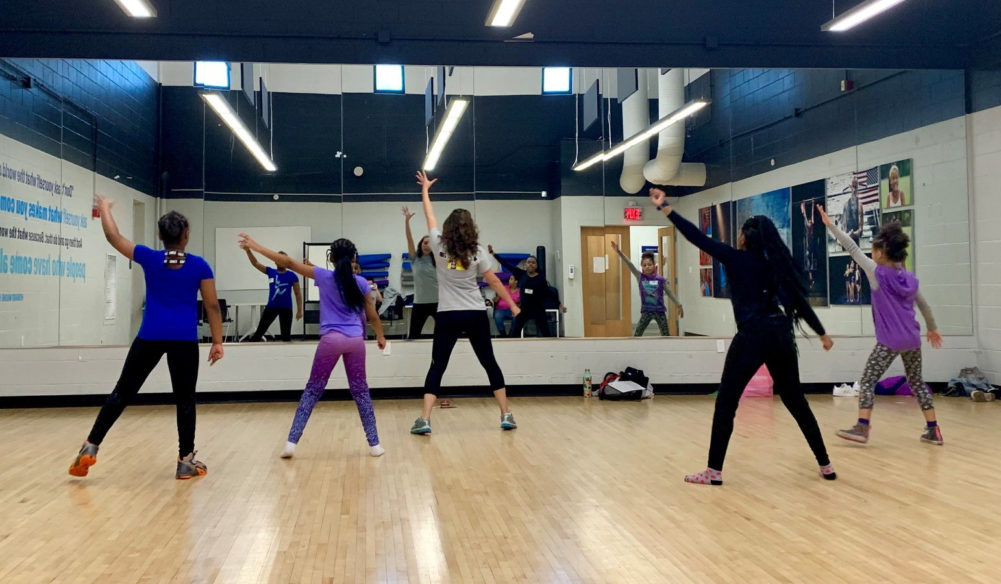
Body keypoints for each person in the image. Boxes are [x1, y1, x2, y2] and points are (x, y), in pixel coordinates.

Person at [649, 187, 836, 485]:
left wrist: (667, 208)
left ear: (745, 238)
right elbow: (799, 303)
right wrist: (822, 333)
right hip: (780, 334)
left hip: (752, 335)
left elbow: (697, 237)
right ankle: (825, 464)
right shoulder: (777, 266)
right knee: (796, 400)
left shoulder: (736, 259)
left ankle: (713, 471)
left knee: (726, 401)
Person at [69, 197, 224, 480]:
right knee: (185, 400)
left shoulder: (150, 258)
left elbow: (113, 236)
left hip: (149, 335)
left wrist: (104, 207)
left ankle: (90, 446)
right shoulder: (200, 266)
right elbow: (212, 305)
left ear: (159, 236)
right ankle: (185, 461)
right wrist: (217, 341)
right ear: (186, 235)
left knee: (122, 392)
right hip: (183, 340)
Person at [239, 234, 387, 458]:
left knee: (313, 390)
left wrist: (256, 246)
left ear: (331, 258)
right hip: (356, 341)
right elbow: (372, 315)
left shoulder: (324, 276)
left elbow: (288, 263)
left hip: (331, 340)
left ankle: (291, 443)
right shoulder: (361, 283)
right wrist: (380, 336)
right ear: (354, 257)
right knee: (361, 392)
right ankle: (374, 445)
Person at [818, 205, 944, 445]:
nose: (871, 251)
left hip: (889, 341)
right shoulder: (907, 277)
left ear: (880, 253)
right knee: (917, 382)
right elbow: (924, 305)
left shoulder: (876, 273)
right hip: (912, 339)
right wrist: (932, 327)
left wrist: (830, 225)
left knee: (867, 381)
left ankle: (862, 427)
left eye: (874, 248)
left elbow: (852, 248)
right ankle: (933, 430)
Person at [410, 171, 521, 435]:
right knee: (489, 363)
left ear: (447, 228)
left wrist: (425, 189)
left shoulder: (437, 244)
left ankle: (425, 419)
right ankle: (505, 414)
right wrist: (513, 305)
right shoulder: (478, 251)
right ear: (470, 228)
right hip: (474, 313)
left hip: (448, 314)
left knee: (438, 365)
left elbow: (429, 215)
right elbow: (494, 281)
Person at [610, 240, 684, 336]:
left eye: (649, 264)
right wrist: (619, 252)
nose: (647, 267)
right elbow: (630, 264)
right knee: (637, 334)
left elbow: (669, 293)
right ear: (642, 267)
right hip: (646, 311)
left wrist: (679, 305)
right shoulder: (640, 277)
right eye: (644, 265)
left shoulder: (660, 279)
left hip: (660, 311)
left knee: (666, 335)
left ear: (654, 265)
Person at [489, 246, 565, 337]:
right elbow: (506, 264)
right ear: (525, 265)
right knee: (514, 331)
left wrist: (559, 304)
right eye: (529, 262)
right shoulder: (521, 274)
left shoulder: (541, 278)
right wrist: (493, 254)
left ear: (536, 265)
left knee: (545, 332)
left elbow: (549, 292)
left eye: (533, 263)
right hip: (524, 309)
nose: (531, 264)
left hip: (538, 309)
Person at [245, 249, 302, 342]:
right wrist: (248, 251)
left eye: (283, 260)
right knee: (259, 333)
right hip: (271, 307)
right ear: (275, 261)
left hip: (286, 309)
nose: (281, 262)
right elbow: (255, 263)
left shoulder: (292, 275)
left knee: (286, 337)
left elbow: (298, 294)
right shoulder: (271, 272)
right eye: (279, 259)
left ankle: (286, 355)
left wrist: (299, 311)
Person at [403, 205, 439, 339]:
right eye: (425, 242)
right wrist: (407, 221)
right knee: (413, 335)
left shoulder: (438, 260)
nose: (427, 245)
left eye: (430, 243)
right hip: (420, 303)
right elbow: (409, 239)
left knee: (443, 334)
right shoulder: (415, 259)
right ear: (421, 244)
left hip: (438, 302)